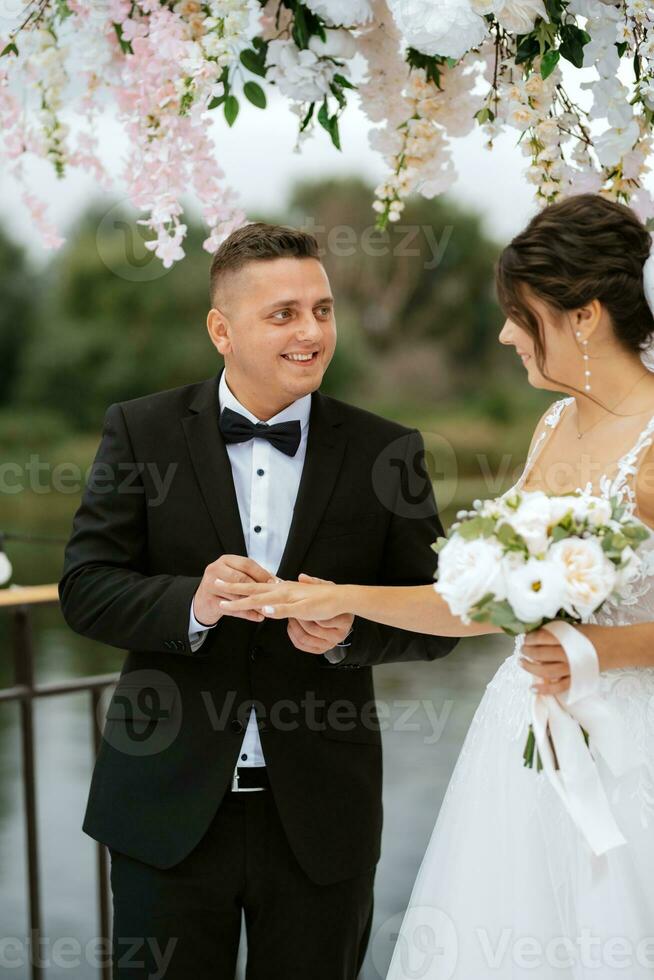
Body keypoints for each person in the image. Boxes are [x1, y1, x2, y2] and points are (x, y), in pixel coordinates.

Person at [217, 195, 654, 979]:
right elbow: (482, 602)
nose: (505, 334)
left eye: (522, 316)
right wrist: (337, 597)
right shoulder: (555, 425)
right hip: (522, 746)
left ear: (584, 317)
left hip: (632, 753)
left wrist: (599, 650)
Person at [58, 222, 459, 979]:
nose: (311, 331)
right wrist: (195, 603)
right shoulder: (139, 431)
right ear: (221, 328)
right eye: (283, 314)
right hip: (165, 814)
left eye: (323, 309)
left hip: (320, 818)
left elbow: (438, 612)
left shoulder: (388, 449)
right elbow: (85, 588)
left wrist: (350, 630)